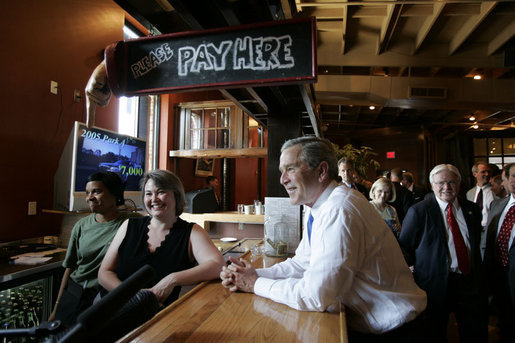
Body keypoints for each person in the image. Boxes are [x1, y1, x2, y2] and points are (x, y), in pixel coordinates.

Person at [221, 137, 427, 341]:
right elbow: (302, 263)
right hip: (374, 324)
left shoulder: (339, 210)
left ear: (321, 171)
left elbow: (315, 296)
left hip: (396, 329)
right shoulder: (318, 205)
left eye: (291, 169)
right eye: (282, 171)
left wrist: (255, 284)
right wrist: (253, 274)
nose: (283, 179)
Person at [98, 169, 225, 307]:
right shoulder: (129, 225)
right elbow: (104, 272)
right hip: (116, 306)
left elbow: (218, 265)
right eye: (148, 194)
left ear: (176, 196)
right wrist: (131, 296)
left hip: (159, 315)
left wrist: (172, 279)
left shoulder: (191, 232)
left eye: (161, 192)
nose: (154, 199)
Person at [399, 164, 487, 342]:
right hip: (434, 284)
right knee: (434, 333)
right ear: (432, 185)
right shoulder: (419, 211)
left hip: (468, 281)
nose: (446, 187)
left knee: (474, 331)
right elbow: (404, 248)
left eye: (451, 182)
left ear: (459, 184)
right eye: (441, 183)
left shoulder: (472, 209)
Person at [49, 172, 138, 326]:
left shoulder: (132, 223)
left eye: (96, 192)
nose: (89, 197)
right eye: (87, 193)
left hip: (105, 297)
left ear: (115, 194)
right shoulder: (81, 226)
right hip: (75, 295)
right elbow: (70, 268)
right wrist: (56, 308)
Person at [484, 163, 515, 342]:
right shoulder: (497, 205)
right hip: (498, 275)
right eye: (512, 176)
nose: (514, 181)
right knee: (504, 323)